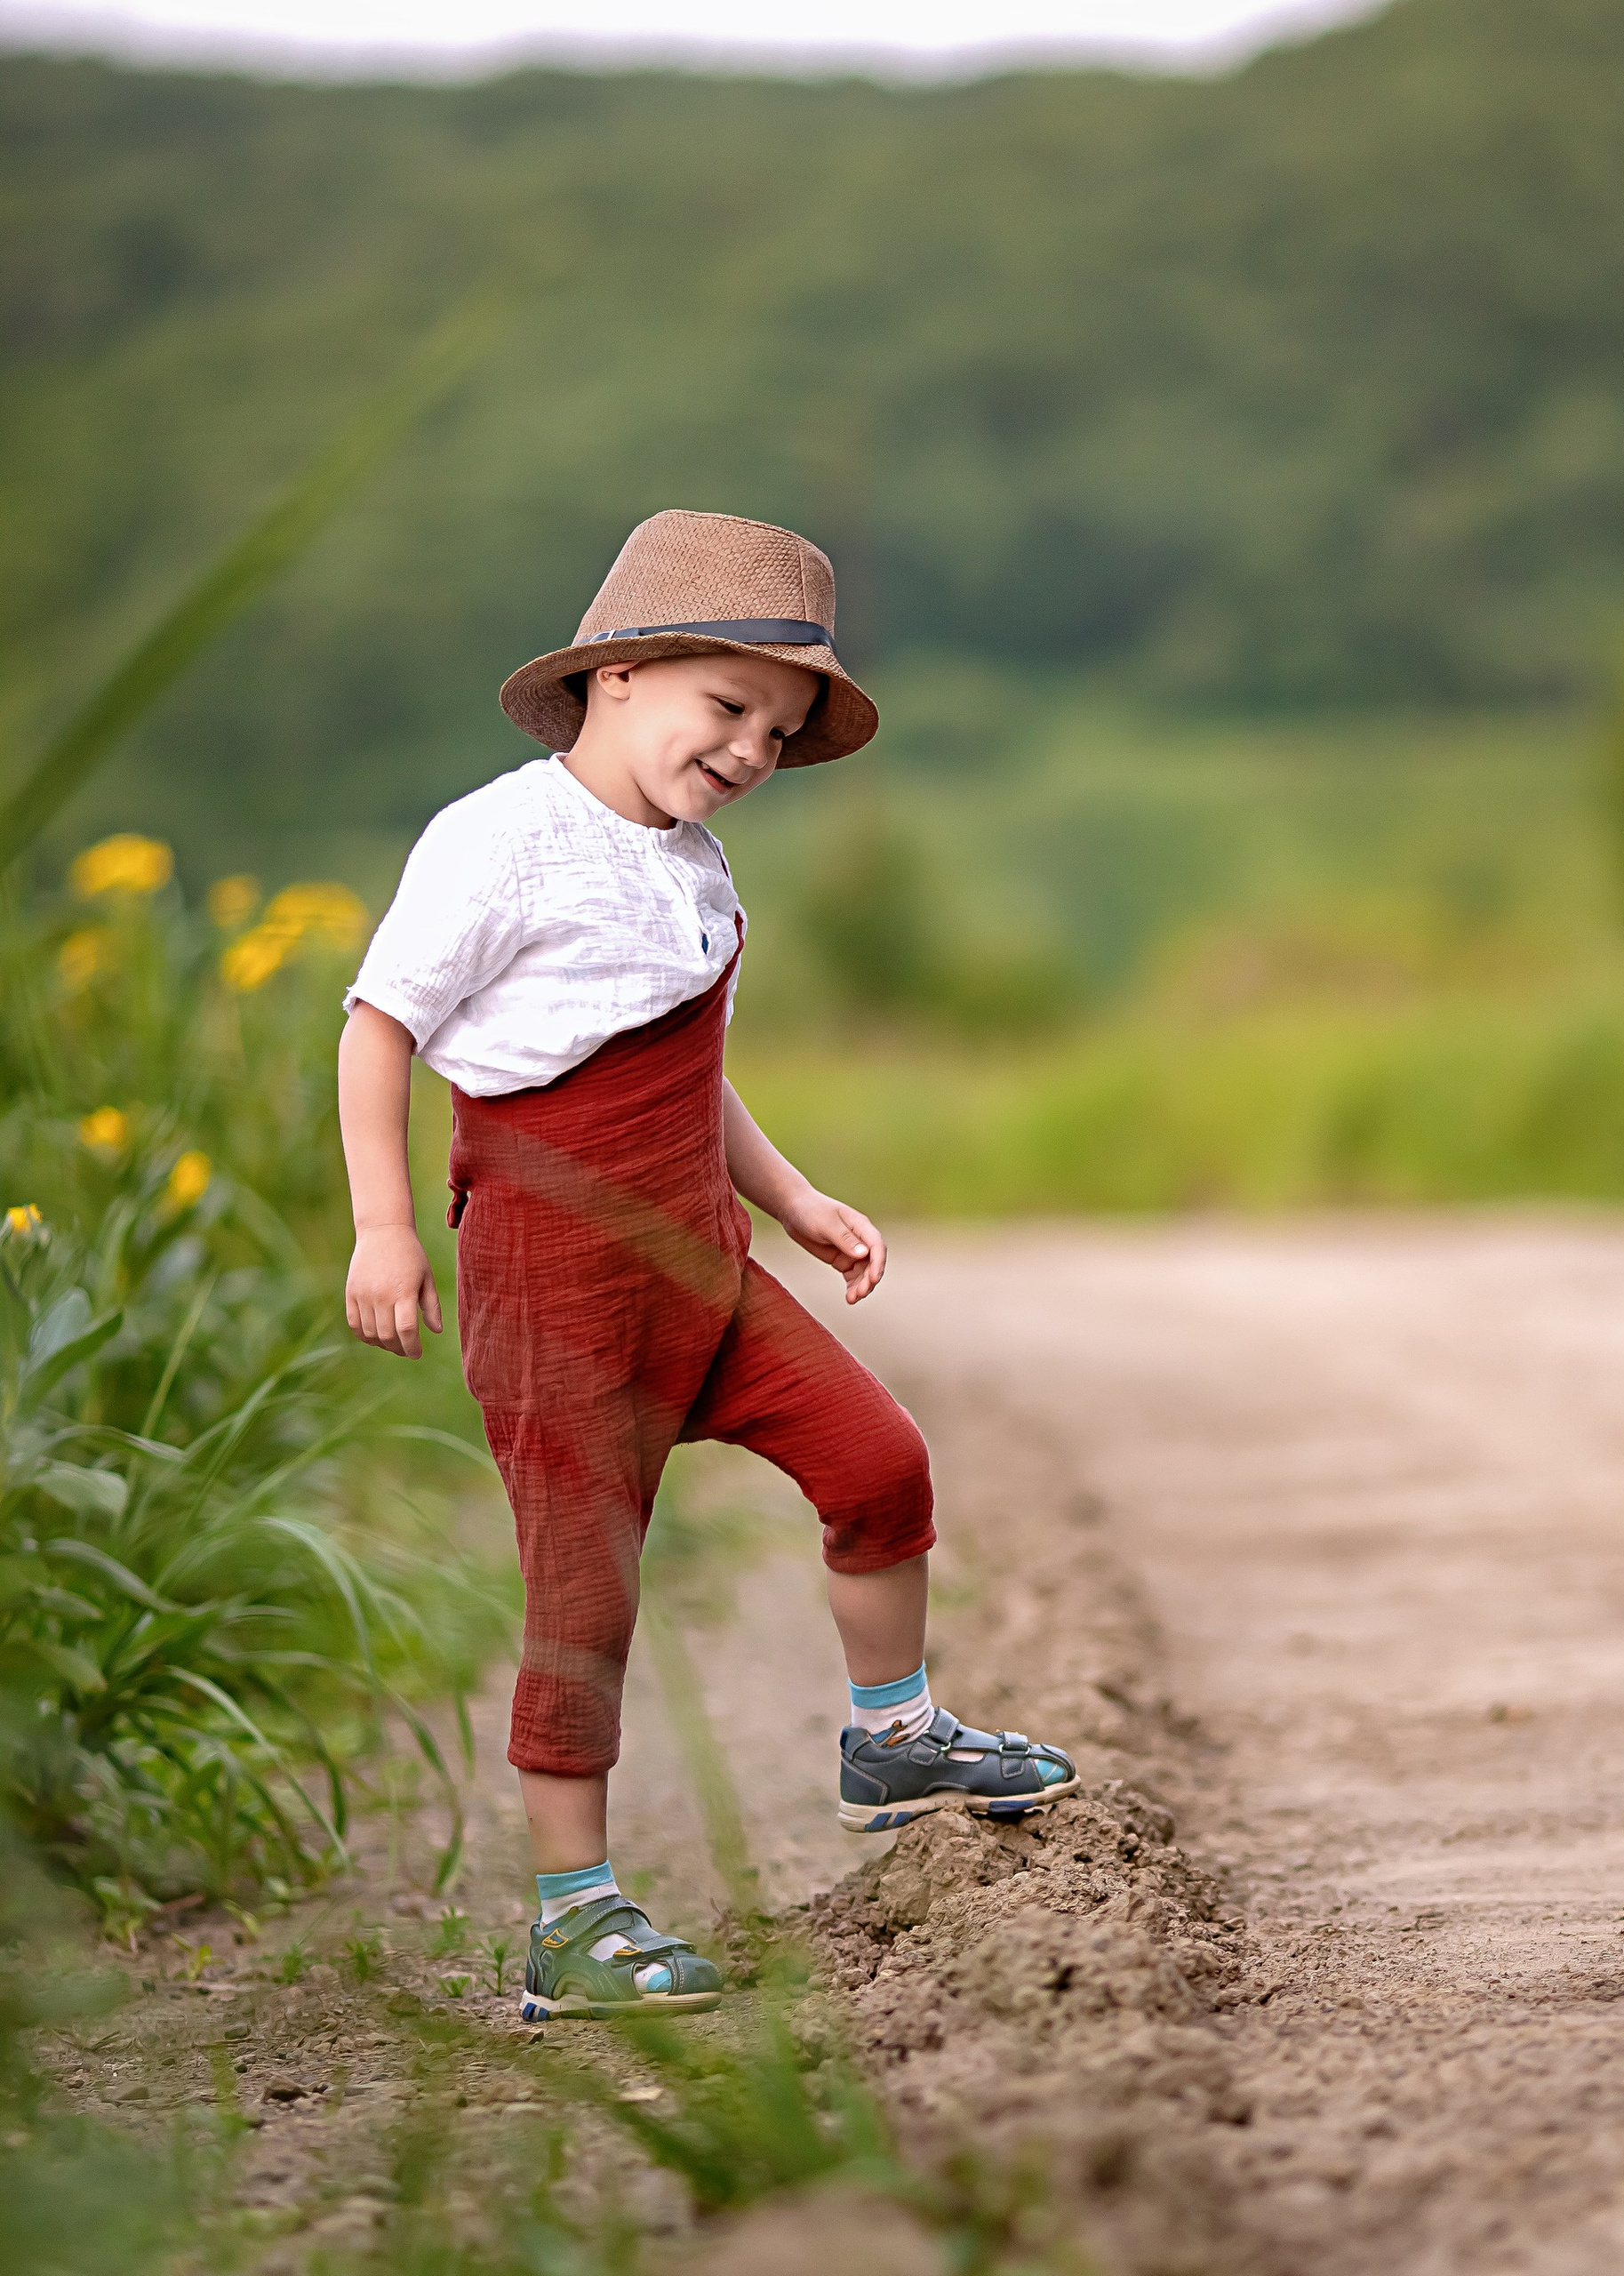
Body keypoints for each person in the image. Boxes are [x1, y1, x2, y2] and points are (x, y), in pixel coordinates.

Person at [335, 509, 1077, 2021]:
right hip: (556, 1287)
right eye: (726, 707)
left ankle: (893, 1729)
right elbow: (379, 1026)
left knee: (878, 1461)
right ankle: (573, 1914)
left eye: (779, 731)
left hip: (705, 1260)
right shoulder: (496, 841)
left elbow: (686, 1069)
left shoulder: (692, 865)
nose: (749, 749)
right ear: (615, 675)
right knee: (583, 1595)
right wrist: (386, 1224)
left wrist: (796, 1200)